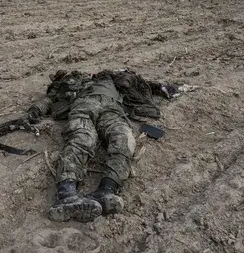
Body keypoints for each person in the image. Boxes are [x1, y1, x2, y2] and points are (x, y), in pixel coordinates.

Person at [27, 69, 176, 222]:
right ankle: (67, 195)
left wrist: (162, 87)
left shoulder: (113, 81)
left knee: (123, 139)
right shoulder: (72, 84)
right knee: (82, 139)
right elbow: (49, 99)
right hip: (83, 106)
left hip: (112, 109)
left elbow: (141, 84)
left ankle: (107, 190)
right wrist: (35, 110)